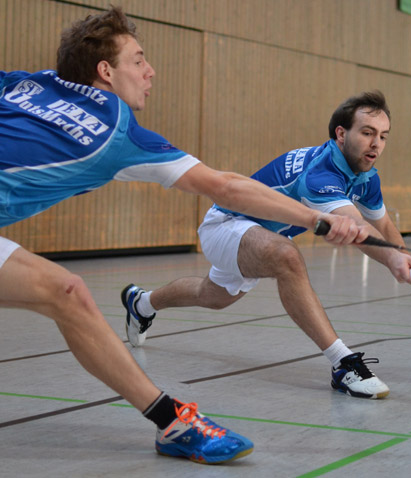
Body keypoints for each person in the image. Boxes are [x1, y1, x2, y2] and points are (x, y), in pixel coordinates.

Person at [0, 6, 369, 465]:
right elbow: (226, 186)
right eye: (138, 60)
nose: (150, 70)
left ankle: (170, 416)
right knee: (66, 292)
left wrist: (316, 220)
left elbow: (229, 182)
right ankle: (173, 423)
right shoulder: (100, 125)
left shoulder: (38, 89)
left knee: (70, 292)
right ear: (105, 70)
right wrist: (319, 220)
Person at [122, 90, 411, 400]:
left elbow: (384, 226)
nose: (376, 143)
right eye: (367, 132)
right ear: (340, 134)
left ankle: (142, 303)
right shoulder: (320, 173)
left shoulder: (365, 176)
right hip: (226, 224)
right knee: (286, 257)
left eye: (384, 135)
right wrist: (393, 261)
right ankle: (342, 363)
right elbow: (358, 228)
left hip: (257, 235)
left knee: (213, 296)